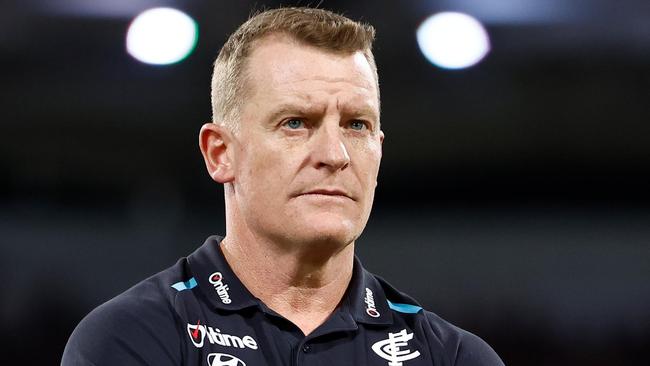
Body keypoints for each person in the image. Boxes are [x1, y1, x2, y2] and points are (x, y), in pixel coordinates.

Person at [62, 7, 504, 366]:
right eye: (296, 123)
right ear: (220, 153)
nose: (335, 154)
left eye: (356, 124)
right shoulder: (132, 339)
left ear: (379, 150)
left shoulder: (452, 357)